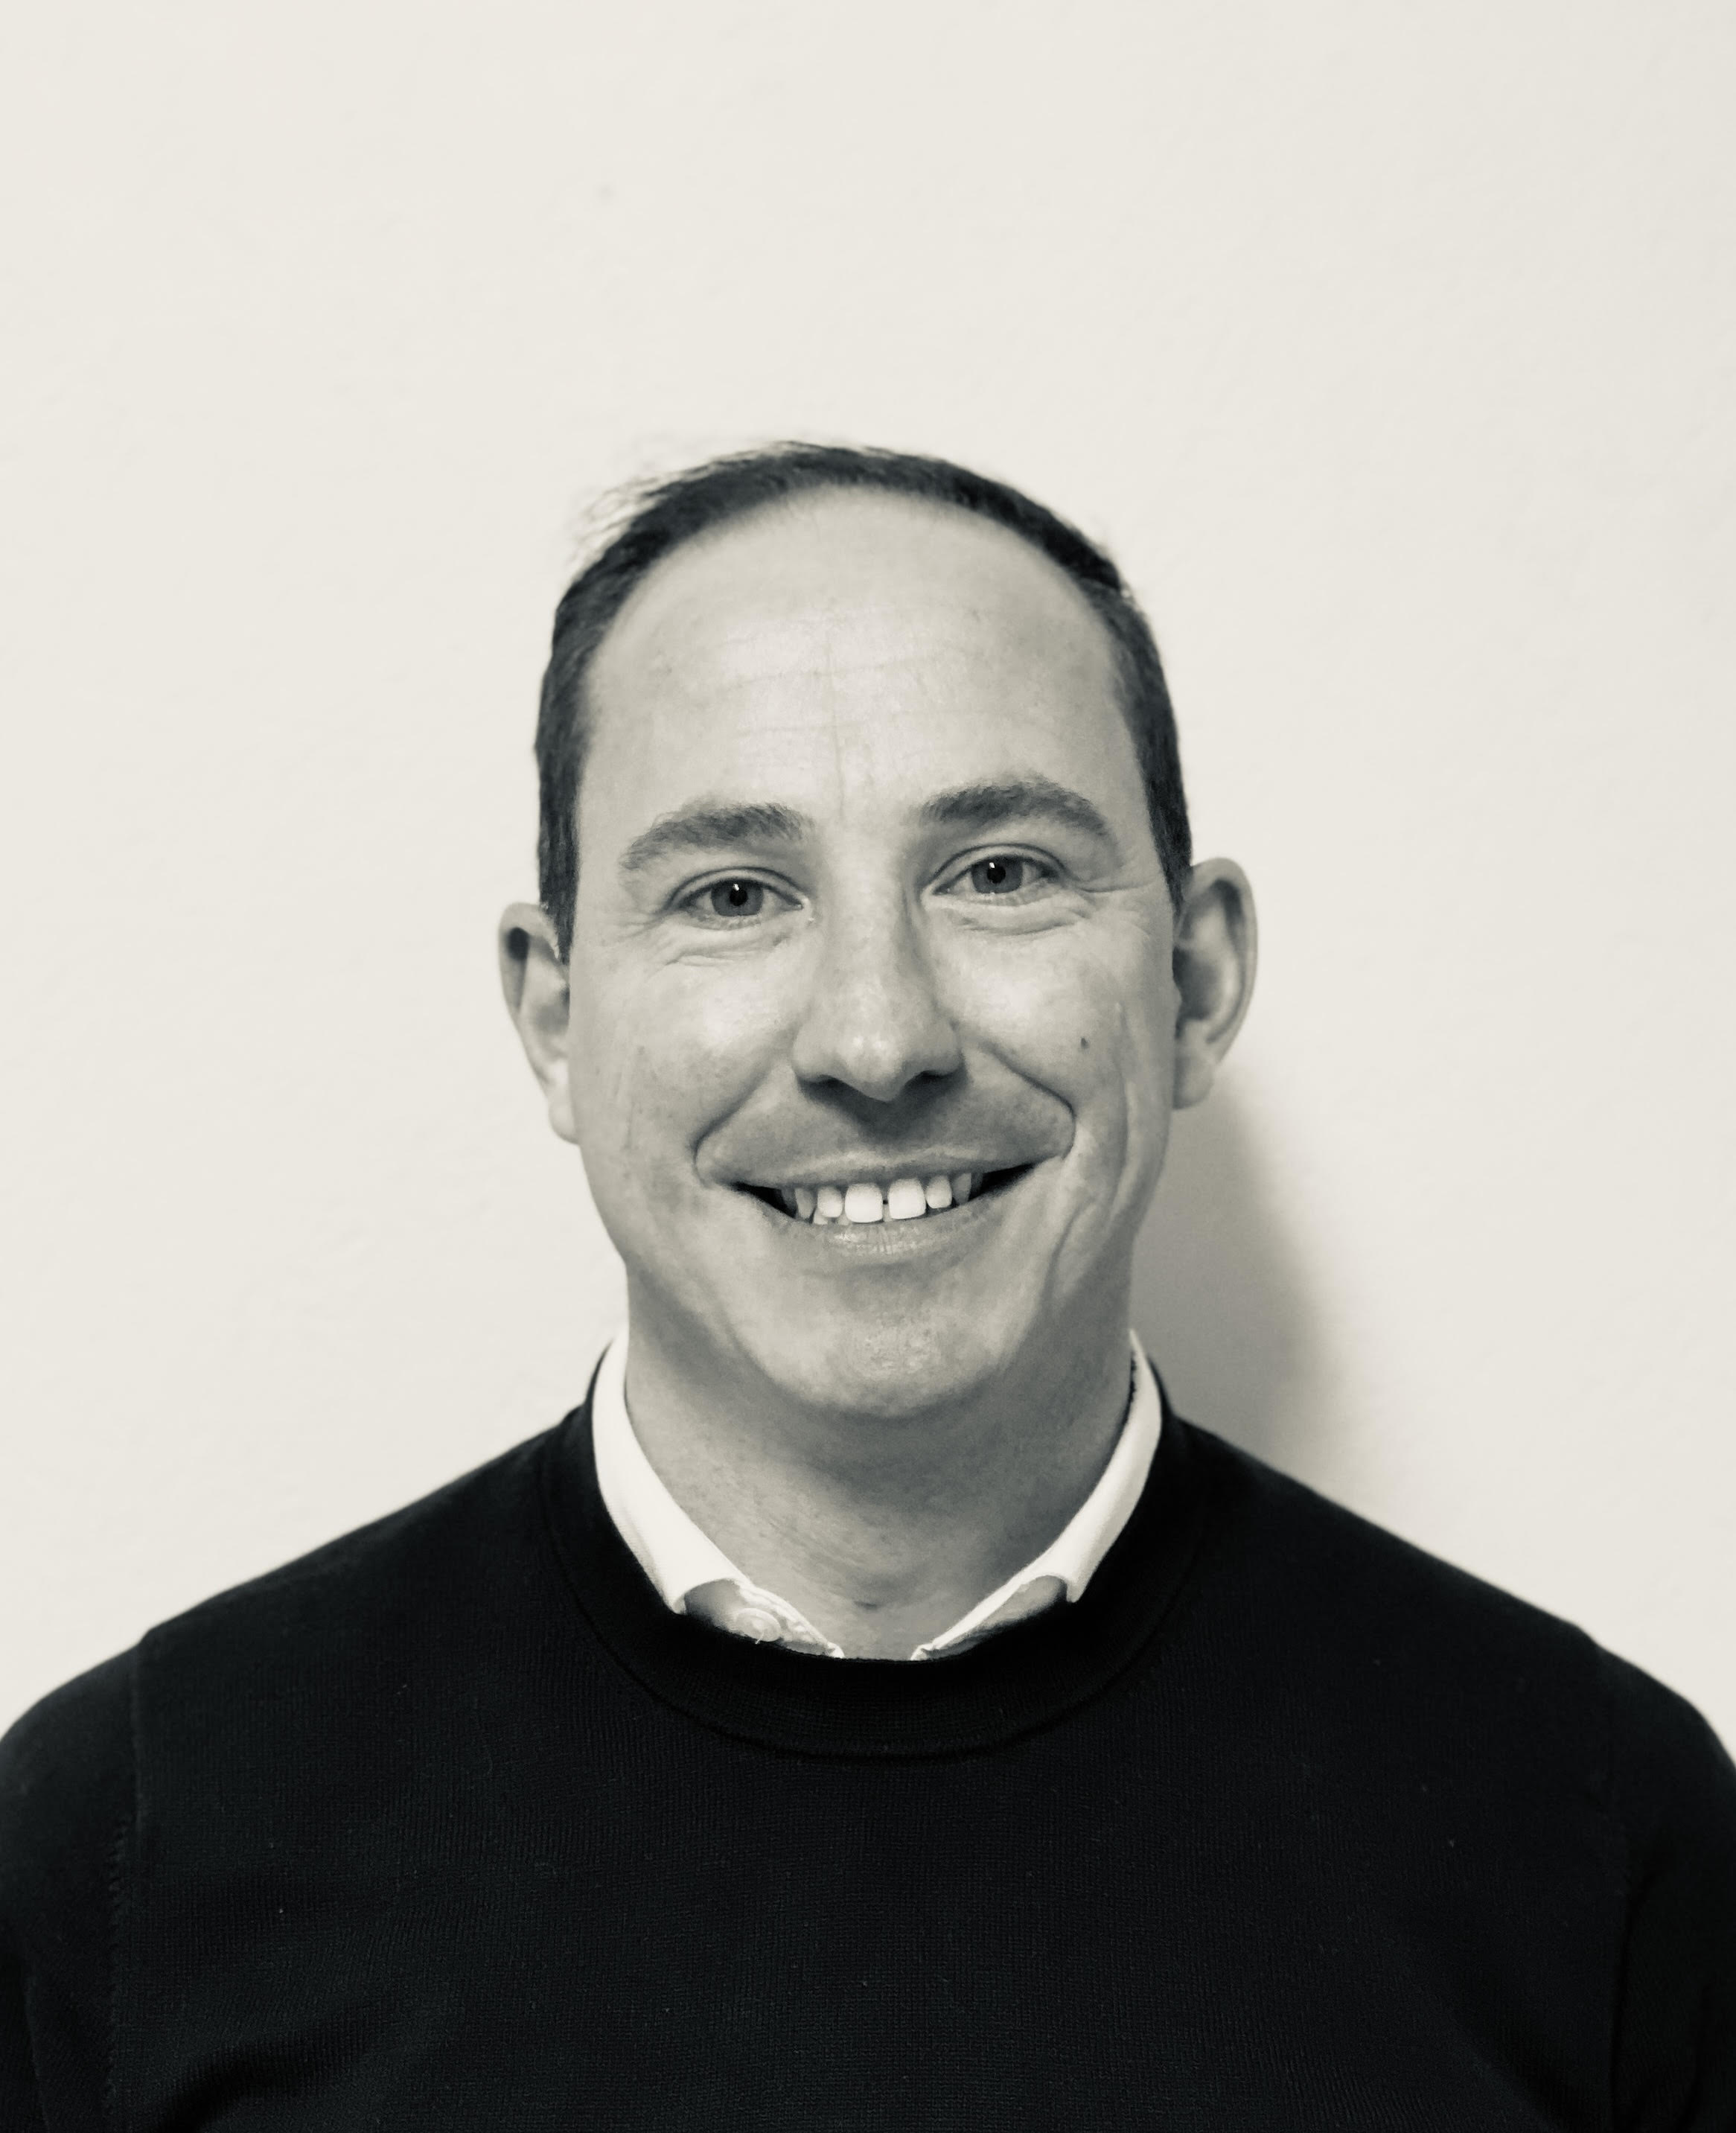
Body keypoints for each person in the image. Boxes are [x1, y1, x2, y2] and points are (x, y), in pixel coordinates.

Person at [2, 443, 1732, 2128]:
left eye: (999, 872)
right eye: (732, 892)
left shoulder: (1601, 1840)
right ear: (554, 1013)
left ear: (1193, 981)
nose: (875, 1035)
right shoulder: (121, 1844)